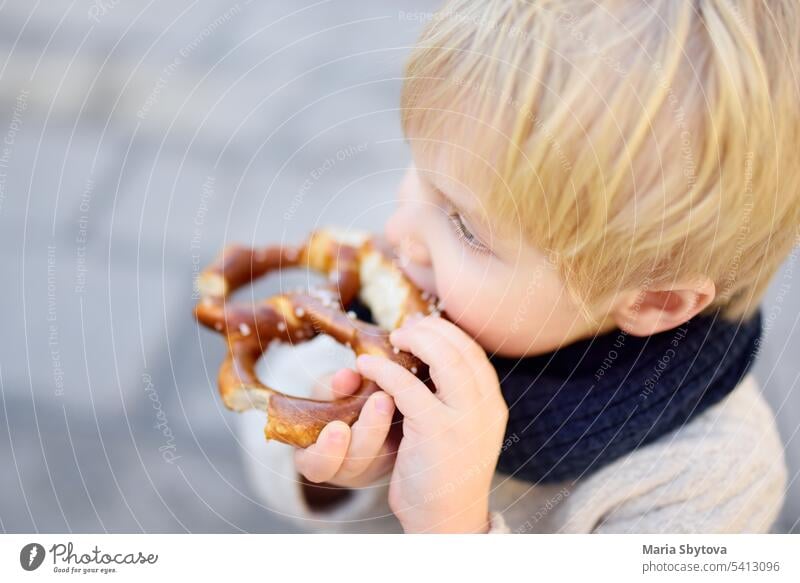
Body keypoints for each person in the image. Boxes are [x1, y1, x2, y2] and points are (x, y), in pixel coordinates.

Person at [239, 0, 797, 533]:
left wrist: (455, 531)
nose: (401, 233)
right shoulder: (387, 322)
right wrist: (331, 473)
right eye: (421, 171)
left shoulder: (707, 482)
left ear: (653, 300)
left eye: (464, 226)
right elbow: (281, 409)